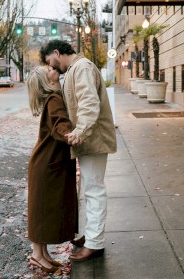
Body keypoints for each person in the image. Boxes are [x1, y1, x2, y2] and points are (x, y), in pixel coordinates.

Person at [40, 40, 117, 263]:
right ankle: (92, 236)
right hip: (88, 140)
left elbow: (89, 102)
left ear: (56, 53)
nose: (52, 68)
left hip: (92, 139)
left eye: (50, 63)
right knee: (89, 189)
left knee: (93, 190)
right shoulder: (76, 69)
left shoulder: (81, 68)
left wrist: (81, 130)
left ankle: (95, 243)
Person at [26, 65, 78, 273]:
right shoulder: (54, 98)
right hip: (47, 164)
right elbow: (60, 125)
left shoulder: (55, 96)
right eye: (46, 69)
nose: (51, 67)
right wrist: (73, 136)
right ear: (46, 81)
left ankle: (43, 254)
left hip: (46, 162)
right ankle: (38, 255)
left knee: (42, 211)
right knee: (41, 211)